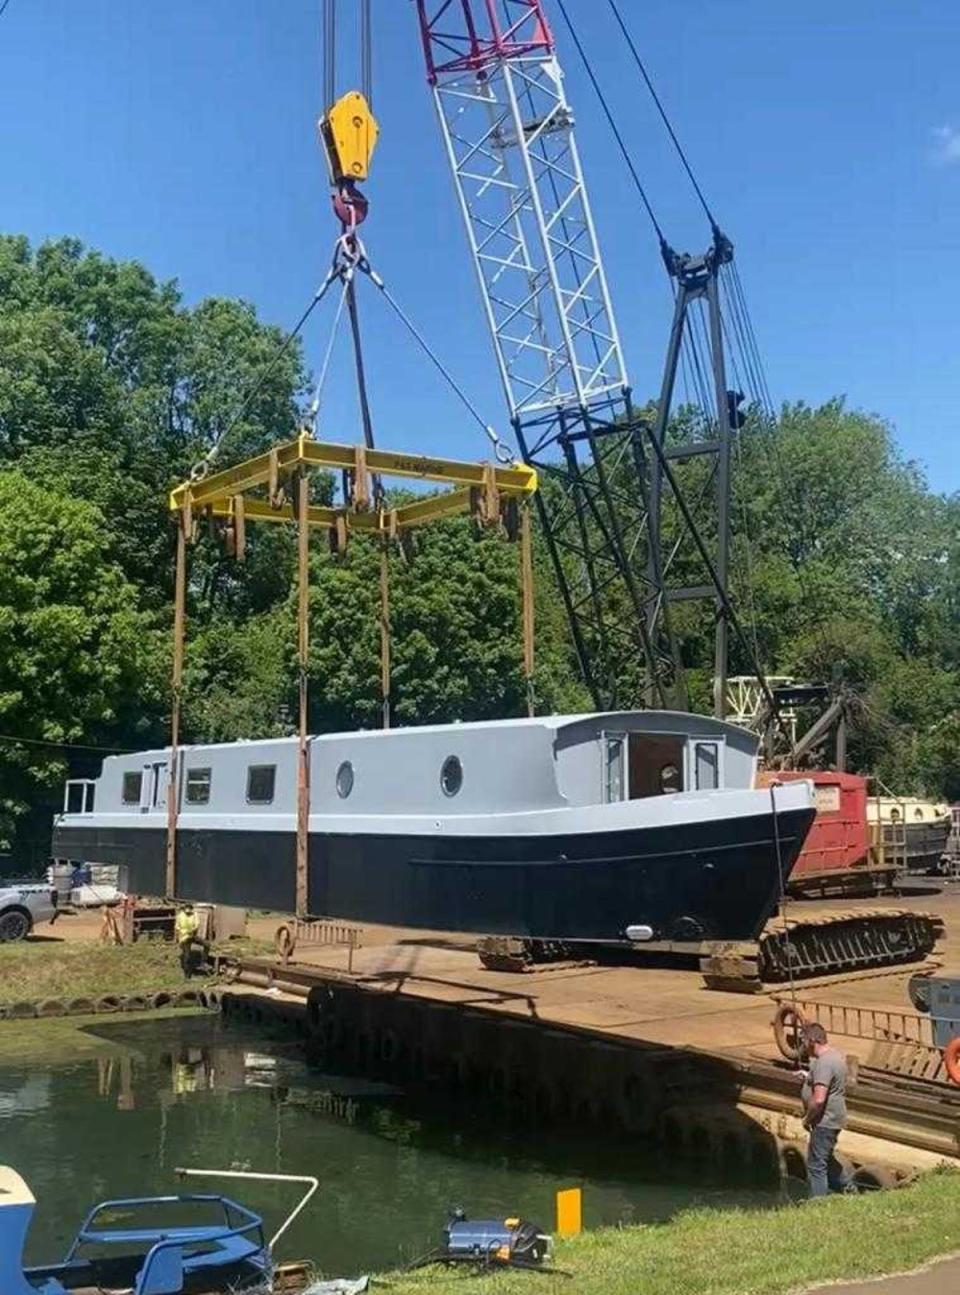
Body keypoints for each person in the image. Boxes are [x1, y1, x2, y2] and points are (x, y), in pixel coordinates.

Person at [800, 1021, 851, 1198]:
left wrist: (807, 1118)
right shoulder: (835, 1056)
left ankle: (818, 1203)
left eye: (803, 1040)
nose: (802, 1045)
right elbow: (828, 1083)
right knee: (826, 1159)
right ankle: (849, 1191)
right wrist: (808, 1078)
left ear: (812, 1040)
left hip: (825, 1120)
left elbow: (820, 1099)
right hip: (833, 1118)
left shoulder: (825, 1063)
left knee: (816, 1165)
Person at [174, 903, 200, 978]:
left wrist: (193, 930)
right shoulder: (180, 916)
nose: (188, 911)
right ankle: (187, 974)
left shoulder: (194, 914)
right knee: (187, 955)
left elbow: (197, 924)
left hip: (192, 935)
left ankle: (203, 962)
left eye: (189, 909)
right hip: (184, 938)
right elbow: (177, 927)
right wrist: (180, 934)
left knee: (206, 944)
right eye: (186, 909)